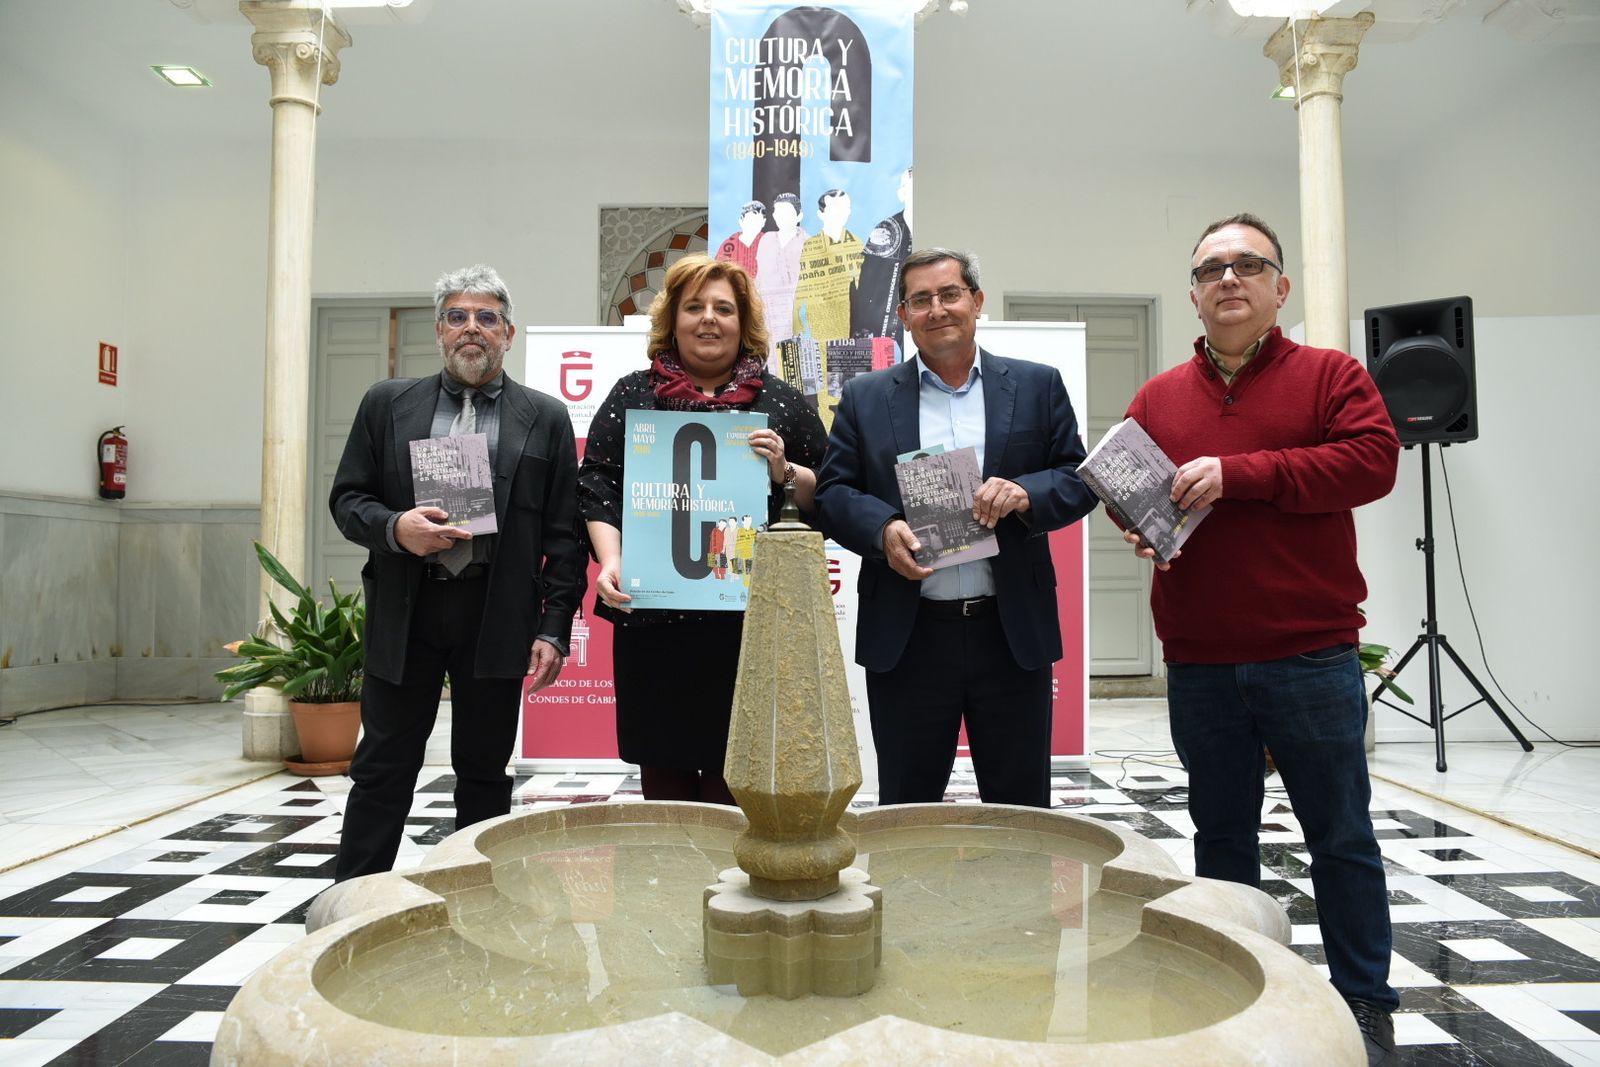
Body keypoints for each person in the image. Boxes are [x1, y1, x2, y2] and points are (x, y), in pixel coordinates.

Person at [1123, 213, 1401, 1065]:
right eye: (1211, 270)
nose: (1229, 279)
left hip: (1308, 652)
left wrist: (1240, 475)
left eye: (1250, 265)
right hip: (1201, 657)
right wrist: (1141, 520)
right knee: (1220, 838)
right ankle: (1238, 986)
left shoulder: (1330, 375)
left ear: (1281, 287)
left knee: (1340, 835)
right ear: (1195, 295)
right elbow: (1130, 485)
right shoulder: (1159, 397)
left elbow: (1373, 462)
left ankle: (1363, 999)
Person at [329, 264, 586, 881]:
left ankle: (477, 901)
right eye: (457, 316)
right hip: (407, 607)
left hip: (494, 613)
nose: (472, 329)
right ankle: (353, 900)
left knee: (483, 769)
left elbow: (564, 536)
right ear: (439, 331)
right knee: (384, 764)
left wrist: (552, 629)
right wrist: (398, 529)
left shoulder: (544, 417)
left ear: (509, 333)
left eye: (487, 317)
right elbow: (348, 501)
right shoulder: (387, 404)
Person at [815, 247, 1097, 807]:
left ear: (976, 301)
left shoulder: (1038, 386)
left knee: (1021, 813)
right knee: (907, 808)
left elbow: (1079, 478)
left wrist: (1026, 493)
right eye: (921, 300)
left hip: (1010, 630)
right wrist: (883, 529)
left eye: (949, 294)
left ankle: (1015, 898)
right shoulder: (866, 398)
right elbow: (833, 492)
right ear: (903, 315)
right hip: (910, 631)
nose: (937, 309)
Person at [578, 254, 827, 803]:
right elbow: (597, 486)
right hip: (653, 621)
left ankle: (734, 890)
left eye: (723, 308)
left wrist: (787, 472)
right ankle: (671, 890)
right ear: (672, 320)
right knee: (663, 787)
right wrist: (611, 561)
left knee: (738, 779)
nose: (709, 319)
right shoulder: (631, 395)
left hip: (750, 627)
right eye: (694, 307)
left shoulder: (780, 403)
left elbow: (827, 494)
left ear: (744, 323)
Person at [792, 188, 863, 344]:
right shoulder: (809, 246)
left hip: (846, 324)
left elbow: (862, 289)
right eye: (836, 208)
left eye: (846, 208)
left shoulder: (856, 244)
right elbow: (801, 293)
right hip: (816, 325)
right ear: (821, 214)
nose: (842, 213)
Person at [754, 192, 808, 366]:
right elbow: (759, 277)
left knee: (795, 363)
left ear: (799, 215)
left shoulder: (809, 242)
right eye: (777, 212)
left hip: (798, 310)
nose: (780, 217)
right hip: (768, 309)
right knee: (770, 361)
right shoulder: (766, 240)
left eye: (786, 212)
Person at [715, 200, 765, 278]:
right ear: (741, 220)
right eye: (750, 220)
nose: (753, 225)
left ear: (763, 222)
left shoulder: (768, 241)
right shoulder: (729, 245)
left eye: (757, 220)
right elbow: (720, 273)